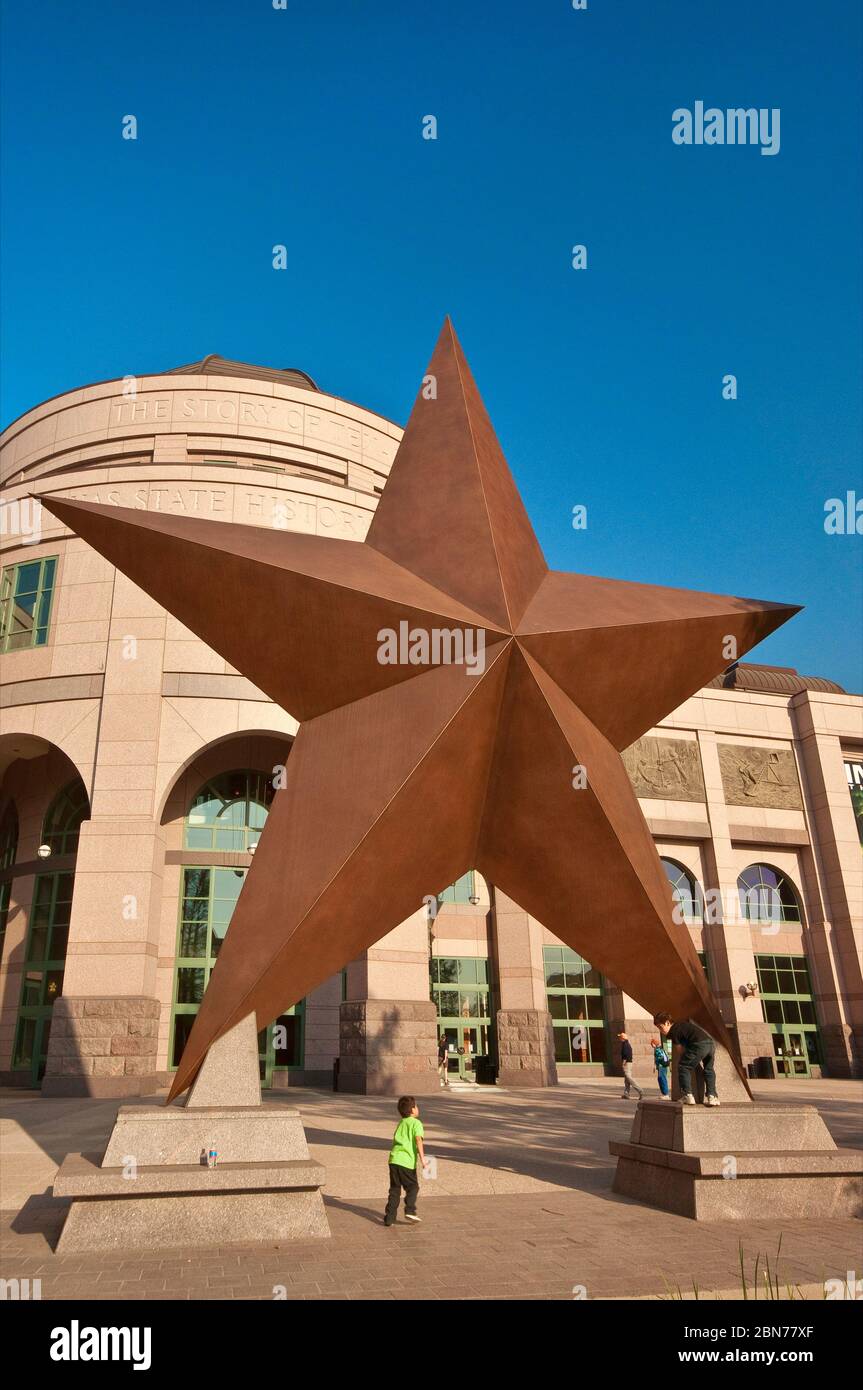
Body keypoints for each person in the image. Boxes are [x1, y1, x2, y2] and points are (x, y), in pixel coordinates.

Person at [653, 1013, 720, 1106]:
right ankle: (712, 1097)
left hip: (699, 1045)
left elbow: (680, 1050)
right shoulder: (682, 1025)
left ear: (668, 1023)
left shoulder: (673, 1031)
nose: (660, 1030)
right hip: (710, 1044)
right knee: (709, 1069)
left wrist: (690, 1060)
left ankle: (687, 1095)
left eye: (660, 1027)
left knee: (683, 1067)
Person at [383, 1095, 427, 1226]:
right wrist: (423, 1159)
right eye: (416, 1106)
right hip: (406, 1162)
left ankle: (389, 1218)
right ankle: (410, 1210)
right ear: (413, 1110)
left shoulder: (401, 1122)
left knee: (395, 1189)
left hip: (394, 1160)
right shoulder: (416, 1123)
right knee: (413, 1187)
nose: (418, 1108)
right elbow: (418, 1140)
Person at [617, 1030, 643, 1100]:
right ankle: (626, 1094)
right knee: (626, 1079)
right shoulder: (627, 1044)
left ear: (623, 1038)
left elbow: (625, 1054)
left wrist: (623, 1063)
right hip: (629, 1063)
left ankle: (640, 1090)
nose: (619, 1038)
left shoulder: (625, 1045)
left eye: (620, 1037)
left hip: (627, 1063)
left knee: (628, 1077)